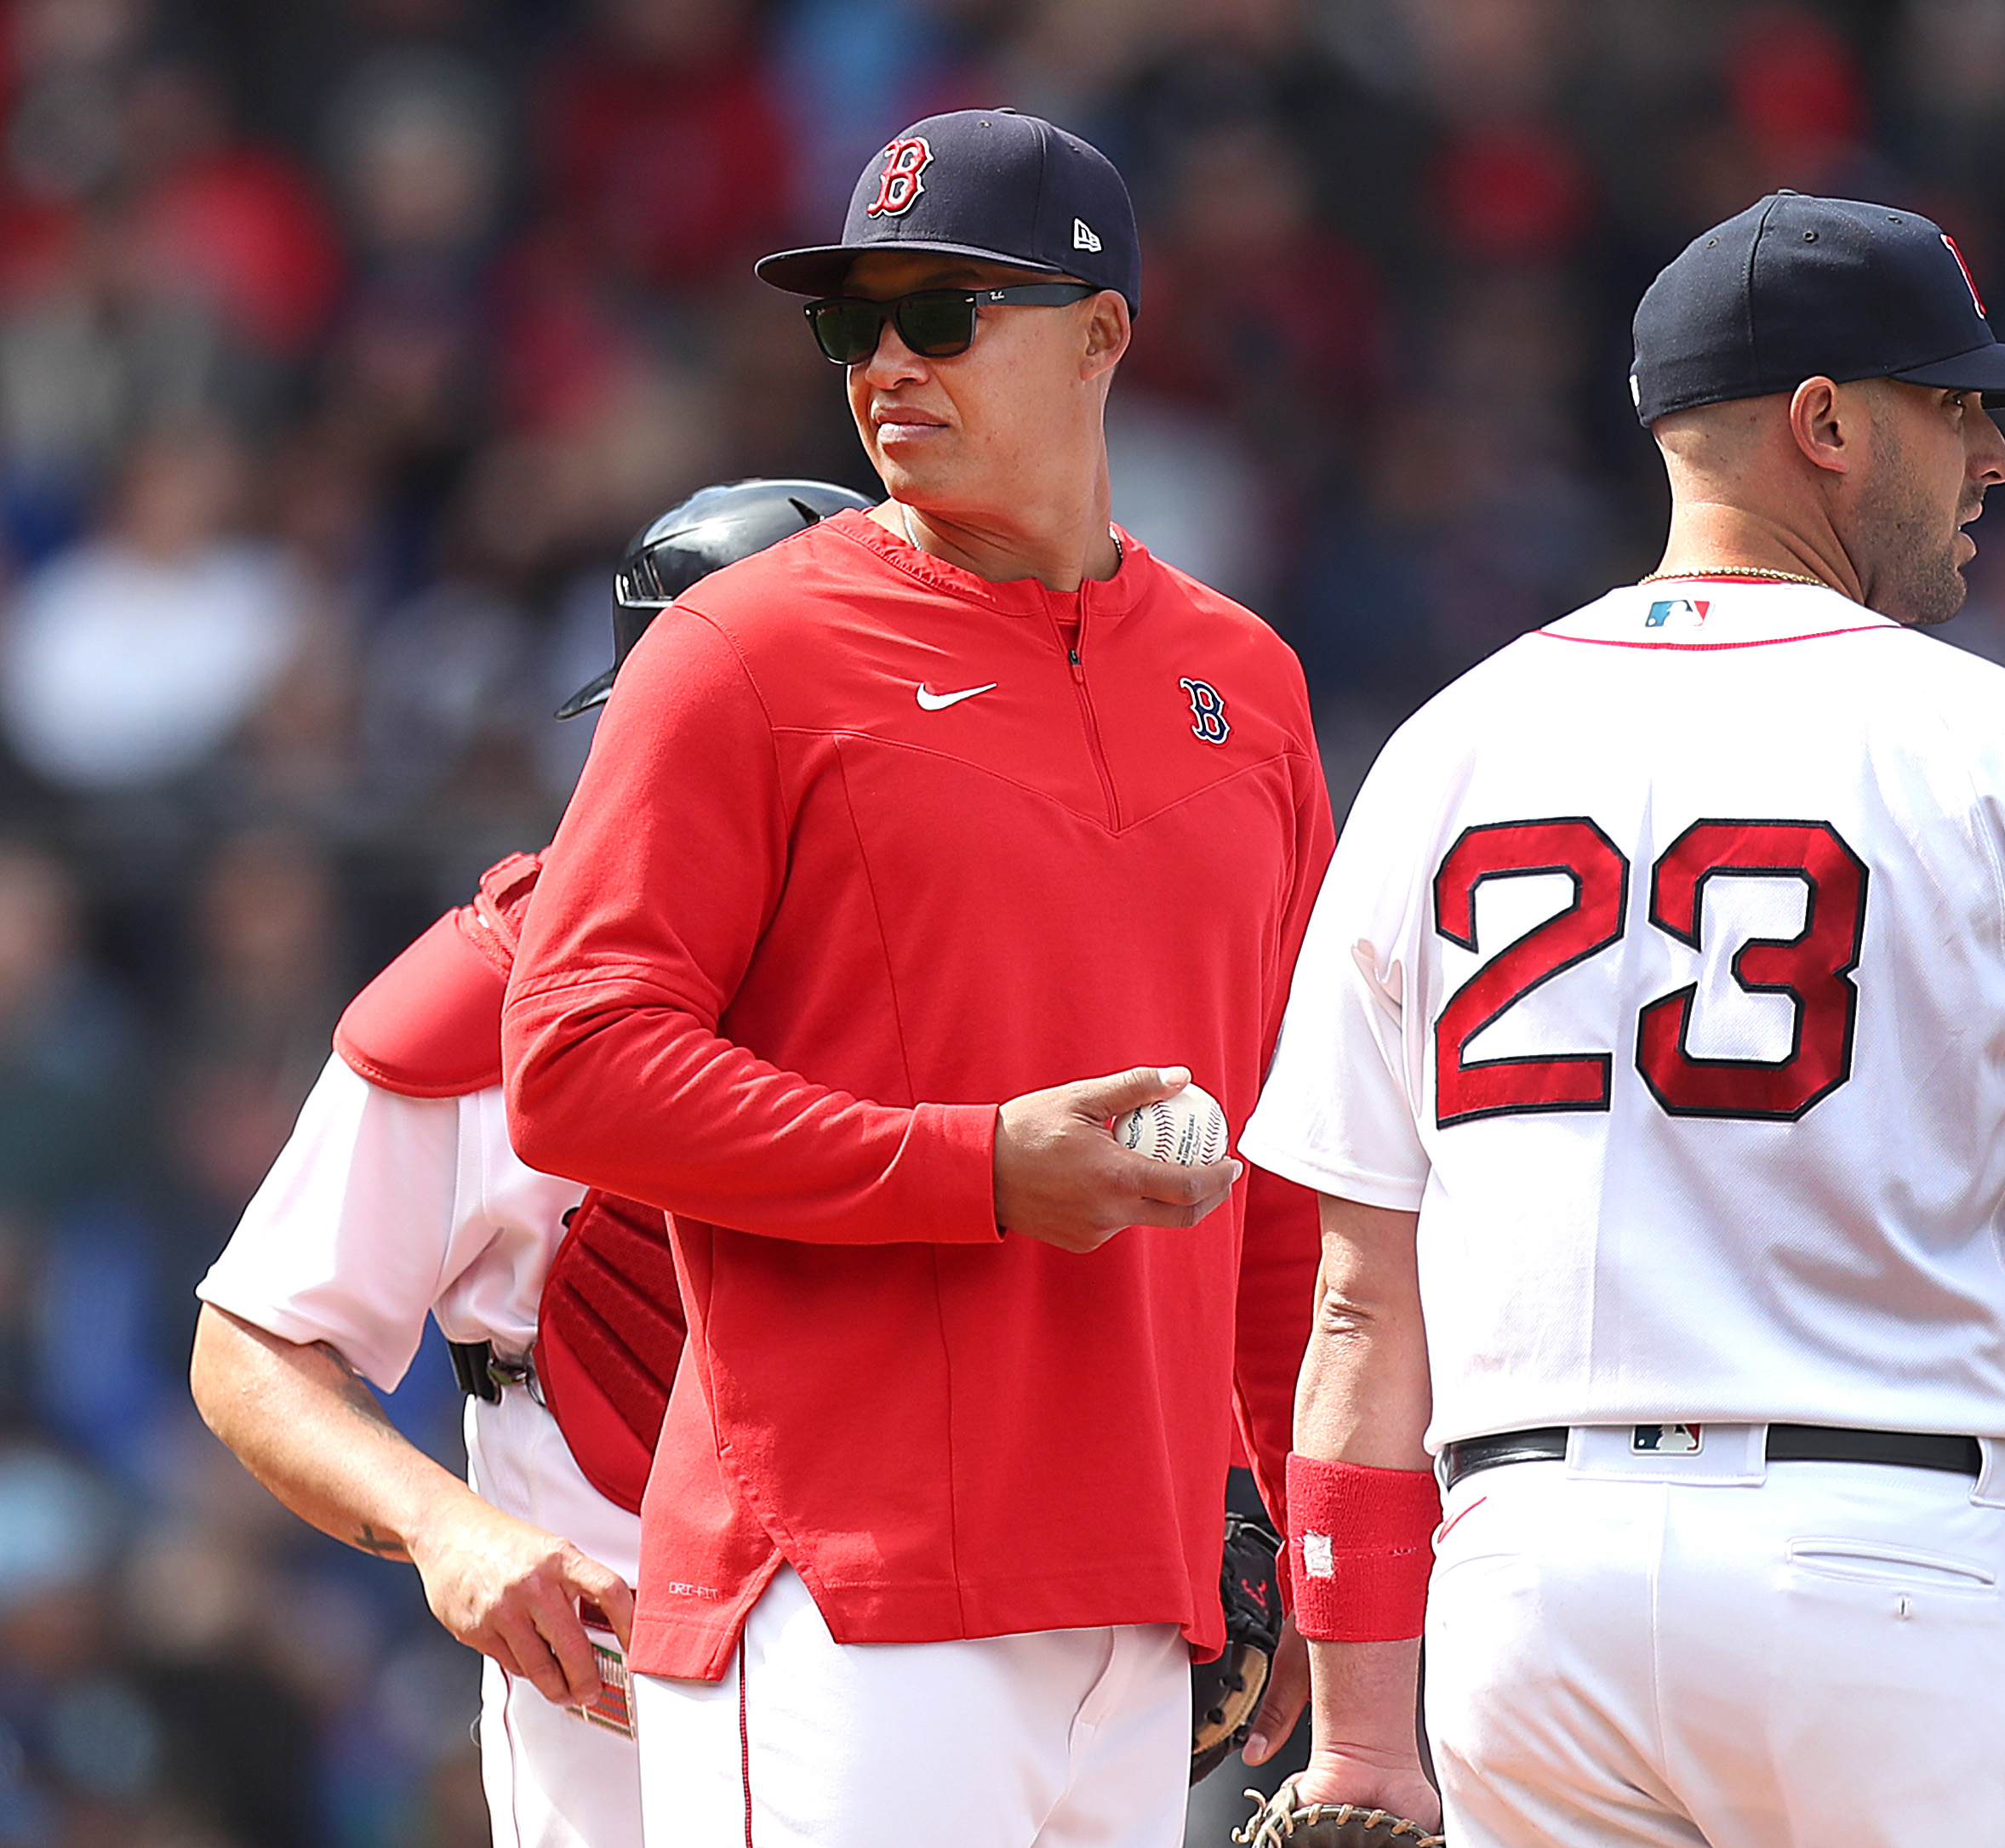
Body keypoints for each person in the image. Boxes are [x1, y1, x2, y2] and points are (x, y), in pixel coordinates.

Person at [1237, 191, 2005, 1848]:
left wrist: (1367, 1731)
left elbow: (1364, 1309)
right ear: (1825, 426)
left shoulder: (1445, 752)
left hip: (1533, 1585)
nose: (1996, 459)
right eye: (1954, 408)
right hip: (1890, 1569)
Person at [497, 109, 1332, 1848]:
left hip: (1154, 1597)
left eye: (944, 313)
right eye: (852, 320)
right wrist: (975, 1168)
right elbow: (573, 1062)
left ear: (1104, 333)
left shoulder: (1245, 684)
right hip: (839, 1579)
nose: (888, 359)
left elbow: (1285, 1169)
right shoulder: (744, 648)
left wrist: (1301, 1525)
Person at [189, 477, 869, 1848]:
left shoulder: (975, 959)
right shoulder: (487, 999)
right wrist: (452, 1534)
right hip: (622, 1720)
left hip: (936, 1667)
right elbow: (253, 1345)